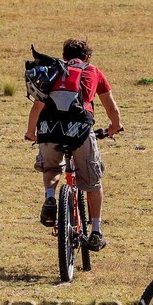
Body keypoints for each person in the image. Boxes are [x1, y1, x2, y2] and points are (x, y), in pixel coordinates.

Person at [25, 38, 123, 250]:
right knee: (93, 181)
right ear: (87, 57)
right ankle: (96, 230)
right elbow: (111, 107)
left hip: (49, 129)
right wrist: (115, 126)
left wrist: (31, 133)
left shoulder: (54, 70)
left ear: (64, 56)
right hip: (79, 130)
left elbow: (37, 107)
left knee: (51, 167)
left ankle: (51, 197)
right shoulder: (93, 71)